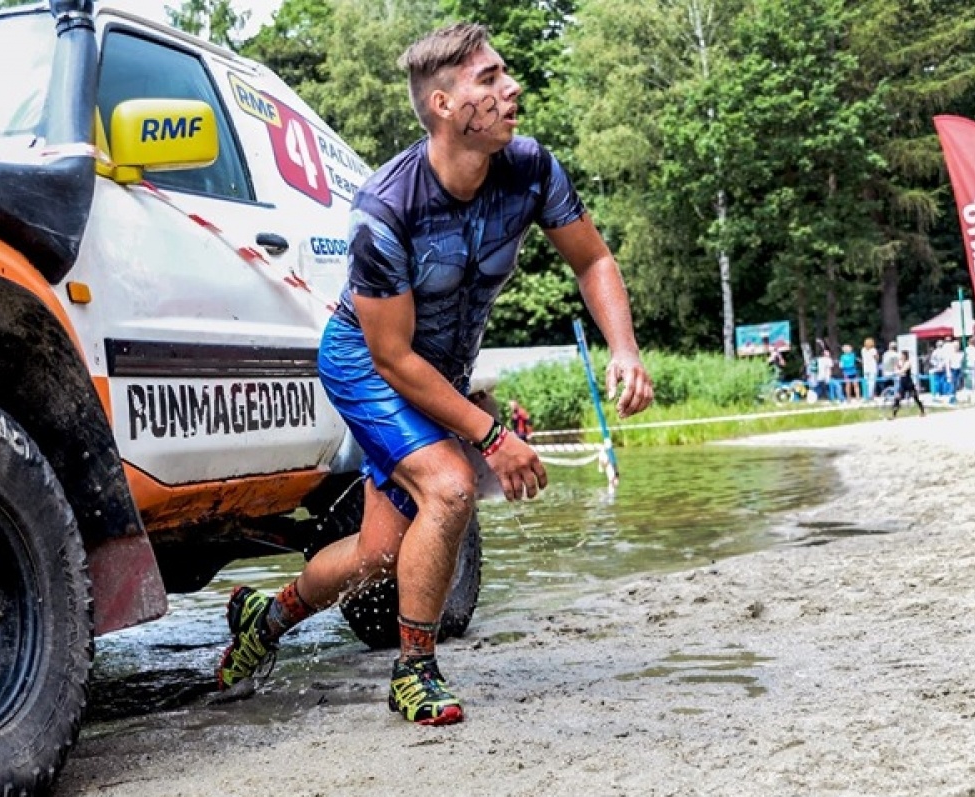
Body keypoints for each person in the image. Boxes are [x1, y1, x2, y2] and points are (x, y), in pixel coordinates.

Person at [215, 22, 654, 725]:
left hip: (437, 365)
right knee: (450, 488)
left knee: (378, 554)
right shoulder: (386, 211)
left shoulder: (531, 168)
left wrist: (624, 347)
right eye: (489, 80)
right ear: (445, 106)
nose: (511, 89)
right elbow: (391, 357)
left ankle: (265, 619)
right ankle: (413, 672)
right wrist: (491, 437)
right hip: (367, 361)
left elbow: (592, 260)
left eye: (505, 73)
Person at [889, 342, 926, 418]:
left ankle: (922, 411)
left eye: (902, 355)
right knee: (898, 397)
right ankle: (894, 414)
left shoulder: (908, 363)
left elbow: (903, 370)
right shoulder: (900, 362)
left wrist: (897, 371)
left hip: (908, 382)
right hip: (902, 382)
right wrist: (896, 369)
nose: (901, 356)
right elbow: (896, 369)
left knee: (915, 397)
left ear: (905, 356)